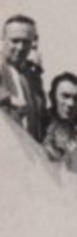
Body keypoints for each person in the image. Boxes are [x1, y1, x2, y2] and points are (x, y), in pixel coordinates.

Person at [0, 14, 45, 142]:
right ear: (3, 39)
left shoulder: (33, 78)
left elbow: (42, 118)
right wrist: (8, 99)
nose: (20, 47)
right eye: (15, 40)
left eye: (26, 42)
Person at [41, 72, 77, 170]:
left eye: (76, 99)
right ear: (52, 96)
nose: (71, 103)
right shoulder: (39, 127)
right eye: (65, 96)